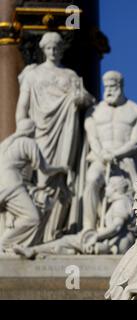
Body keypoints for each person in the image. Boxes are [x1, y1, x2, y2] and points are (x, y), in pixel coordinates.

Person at [15, 32, 94, 241]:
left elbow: (88, 99)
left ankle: (56, 230)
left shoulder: (70, 75)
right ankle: (39, 232)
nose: (53, 51)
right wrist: (21, 129)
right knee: (44, 177)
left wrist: (81, 98)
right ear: (43, 49)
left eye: (57, 47)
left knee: (62, 179)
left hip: (66, 132)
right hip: (41, 131)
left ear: (61, 50)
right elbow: (22, 106)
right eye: (49, 47)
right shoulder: (32, 75)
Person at [83, 71, 137, 231]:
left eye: (113, 86)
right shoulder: (93, 111)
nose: (109, 90)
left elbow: (136, 141)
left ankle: (129, 229)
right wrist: (103, 155)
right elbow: (93, 139)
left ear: (121, 86)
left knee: (134, 192)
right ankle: (89, 227)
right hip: (100, 157)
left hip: (125, 159)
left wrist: (116, 154)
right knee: (91, 180)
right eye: (106, 87)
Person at [13, 176, 135, 258]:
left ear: (114, 189)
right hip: (113, 243)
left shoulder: (121, 203)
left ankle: (34, 251)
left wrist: (96, 236)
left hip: (117, 245)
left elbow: (117, 227)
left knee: (67, 240)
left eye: (108, 186)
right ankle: (60, 251)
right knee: (68, 242)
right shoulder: (122, 202)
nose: (105, 189)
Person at [0, 119, 67, 253]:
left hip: (3, 183)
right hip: (12, 184)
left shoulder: (5, 144)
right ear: (31, 131)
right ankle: (4, 244)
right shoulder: (28, 142)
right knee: (32, 218)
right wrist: (61, 168)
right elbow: (45, 168)